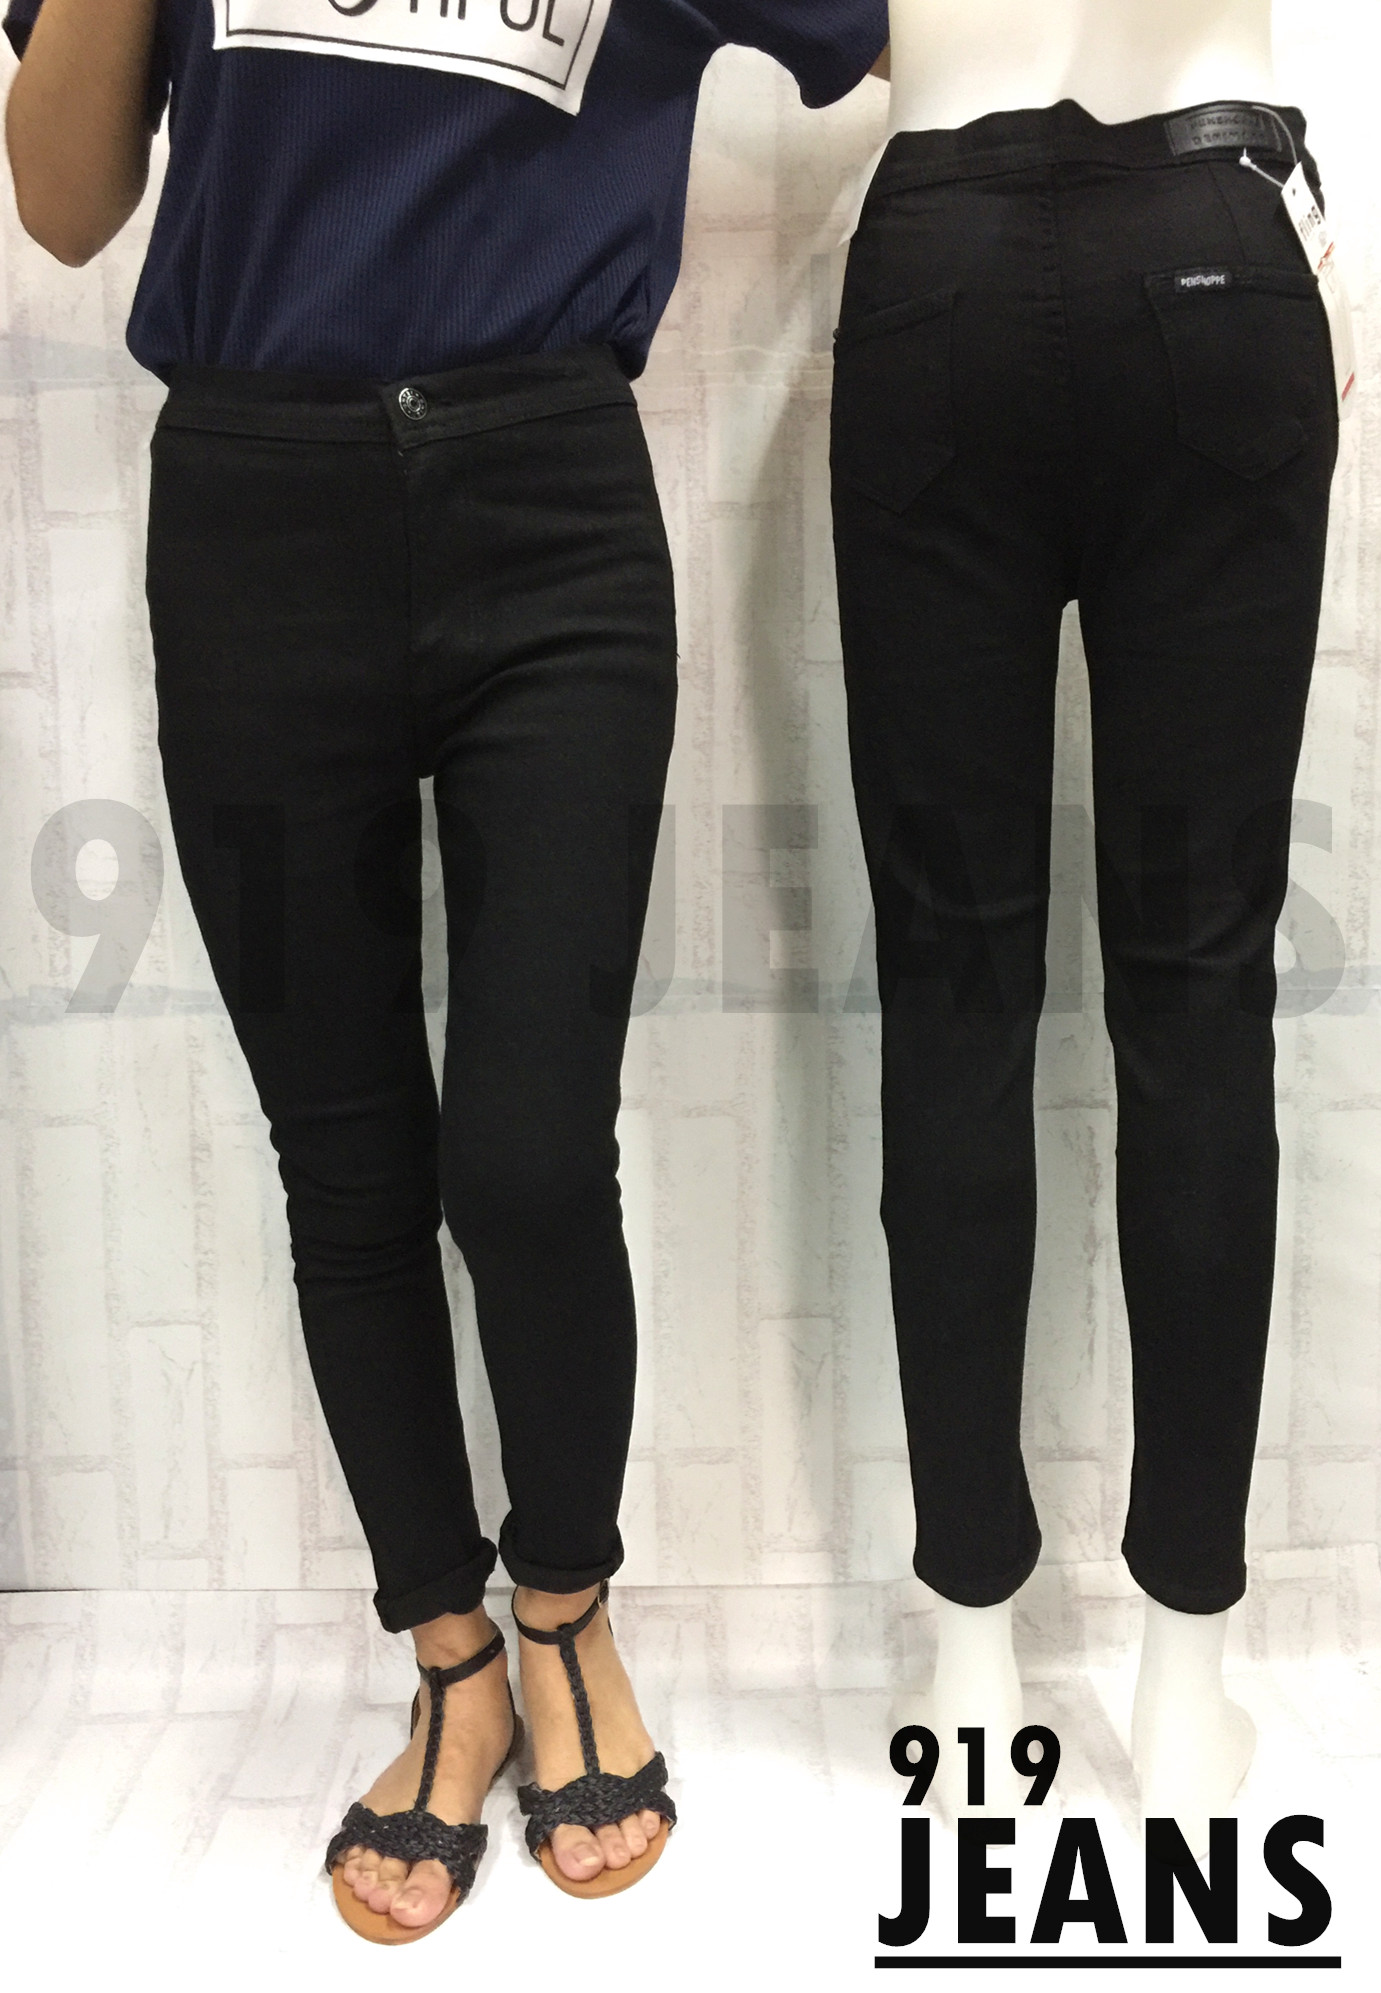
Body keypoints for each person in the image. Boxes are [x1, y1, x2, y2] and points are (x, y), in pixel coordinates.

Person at [4, 0, 889, 1942]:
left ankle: (564, 1606)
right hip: (250, 517)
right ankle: (451, 1658)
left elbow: (891, 41)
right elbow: (63, 205)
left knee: (531, 1154)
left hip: (551, 515)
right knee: (346, 1160)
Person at [831, 0, 1340, 1843]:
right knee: (1198, 1005)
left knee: (953, 994)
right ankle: (1183, 1674)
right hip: (1215, 228)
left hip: (934, 268)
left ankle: (969, 1657)